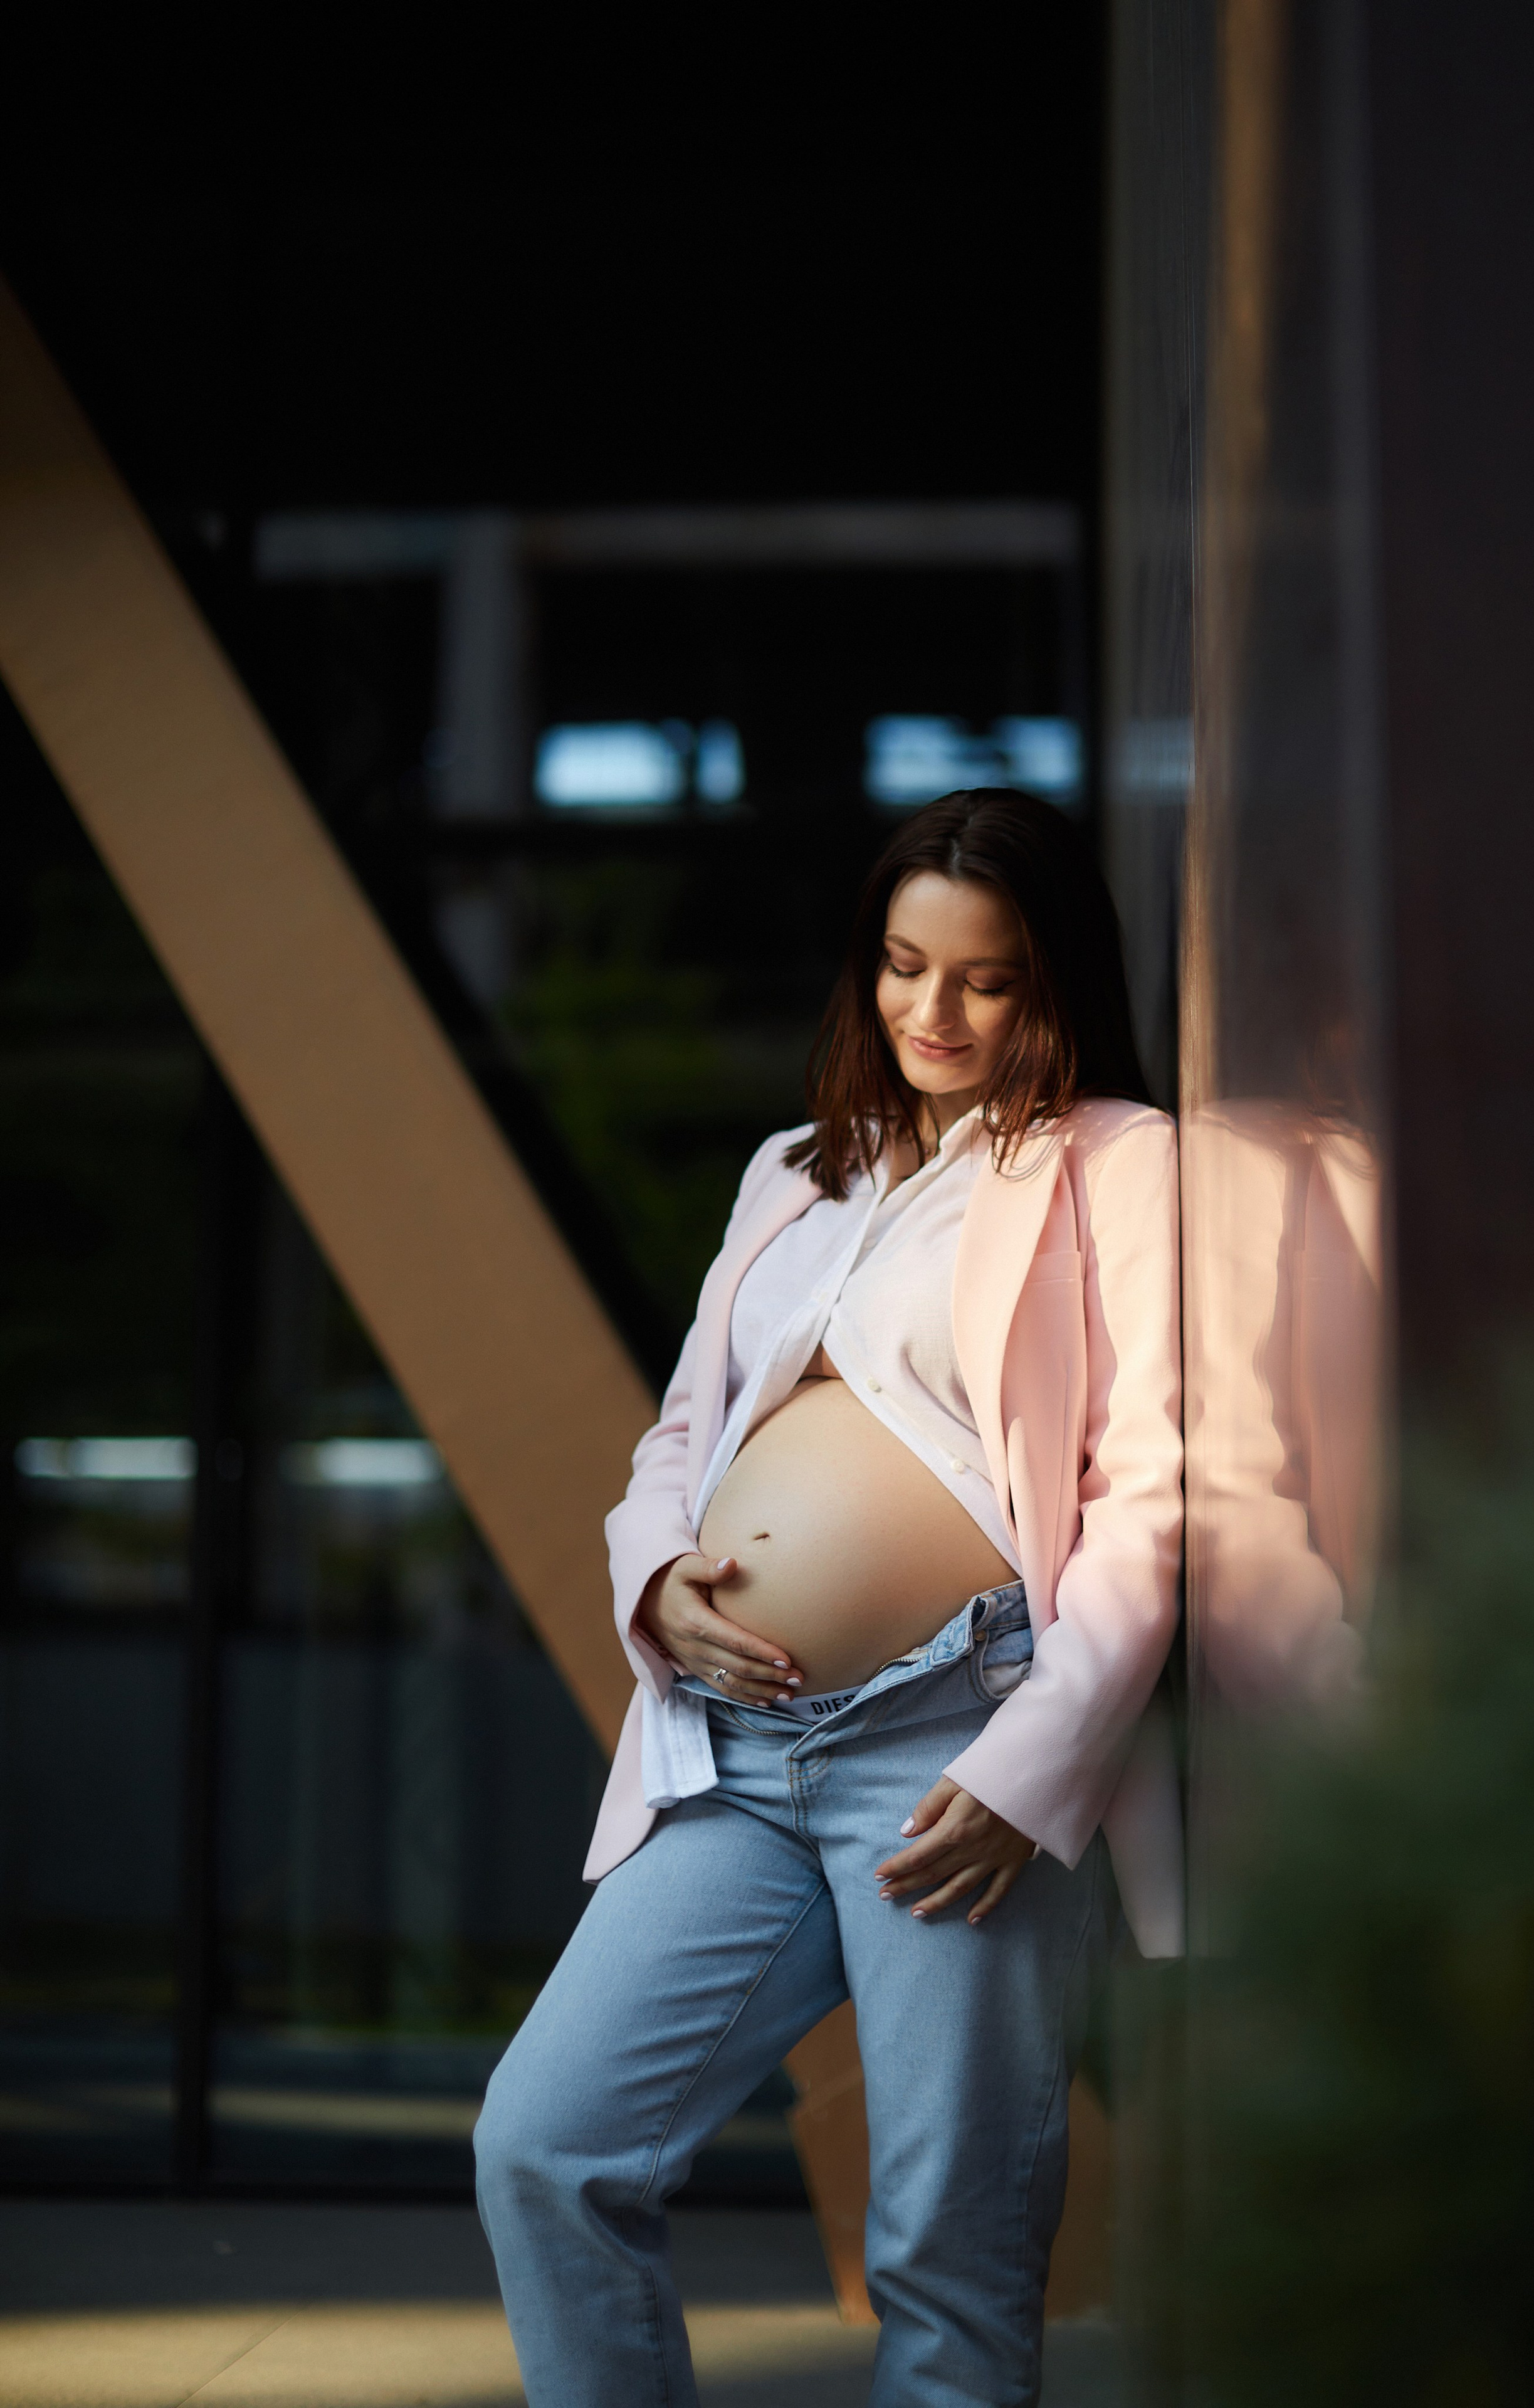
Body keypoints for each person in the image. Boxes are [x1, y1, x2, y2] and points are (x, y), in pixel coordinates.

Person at [475, 788, 1183, 2405]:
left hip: (955, 1748)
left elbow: (1148, 1493)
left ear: (1056, 981)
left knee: (948, 2247)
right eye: (904, 966)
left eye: (987, 980)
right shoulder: (798, 1172)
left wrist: (1034, 1768)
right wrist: (657, 1581)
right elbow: (680, 1438)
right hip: (738, 1751)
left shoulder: (1119, 1164)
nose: (935, 1014)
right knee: (546, 2143)